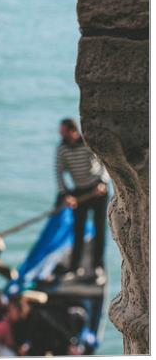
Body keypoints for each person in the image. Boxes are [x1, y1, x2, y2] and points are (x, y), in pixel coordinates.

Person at [55, 118, 110, 284]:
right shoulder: (62, 148)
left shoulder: (88, 143)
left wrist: (103, 182)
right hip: (79, 192)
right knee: (78, 230)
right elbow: (58, 172)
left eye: (64, 132)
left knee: (100, 230)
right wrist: (66, 195)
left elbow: (105, 162)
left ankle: (97, 267)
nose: (61, 135)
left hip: (97, 190)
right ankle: (74, 267)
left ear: (73, 131)